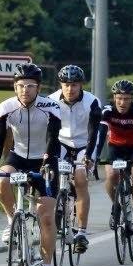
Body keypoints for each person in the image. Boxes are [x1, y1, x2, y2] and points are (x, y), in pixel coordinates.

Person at [0, 63, 62, 266]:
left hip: (45, 158)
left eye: (30, 86)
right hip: (18, 156)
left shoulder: (50, 106)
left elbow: (54, 137)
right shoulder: (6, 107)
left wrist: (48, 162)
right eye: (20, 86)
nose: (25, 90)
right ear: (14, 87)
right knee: (2, 181)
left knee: (46, 218)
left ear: (39, 87)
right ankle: (12, 220)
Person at [47, 65, 101, 253]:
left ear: (81, 86)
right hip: (61, 142)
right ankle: (56, 210)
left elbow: (94, 133)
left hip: (85, 143)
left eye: (75, 85)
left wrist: (88, 156)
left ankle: (81, 233)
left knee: (79, 179)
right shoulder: (51, 100)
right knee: (50, 175)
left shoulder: (92, 101)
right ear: (60, 85)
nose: (70, 89)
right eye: (66, 85)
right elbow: (48, 132)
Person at [96, 80, 133, 240]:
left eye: (126, 99)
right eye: (119, 98)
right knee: (112, 175)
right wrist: (96, 155)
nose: (122, 102)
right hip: (115, 148)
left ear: (132, 99)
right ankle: (116, 205)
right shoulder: (107, 109)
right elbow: (101, 131)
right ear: (114, 97)